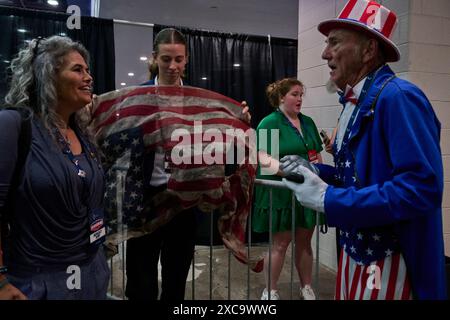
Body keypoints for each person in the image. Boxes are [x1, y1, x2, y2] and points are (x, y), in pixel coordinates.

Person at [281, 0, 447, 300]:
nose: (324, 53)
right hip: (355, 253)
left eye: (334, 42)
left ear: (368, 50)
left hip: (390, 261)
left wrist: (329, 198)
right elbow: (358, 177)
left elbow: (421, 188)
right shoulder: (353, 103)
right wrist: (315, 171)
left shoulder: (399, 98)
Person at [125, 28, 251, 300]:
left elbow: (217, 141)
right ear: (154, 58)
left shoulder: (200, 101)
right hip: (145, 199)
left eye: (179, 59)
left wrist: (237, 121)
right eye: (166, 59)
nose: (173, 66)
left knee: (176, 277)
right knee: (140, 279)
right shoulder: (137, 97)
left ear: (187, 60)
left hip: (184, 203)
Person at [0, 36, 109, 300]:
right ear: (47, 75)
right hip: (37, 282)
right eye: (77, 69)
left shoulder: (82, 133)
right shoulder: (12, 125)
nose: (89, 77)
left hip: (93, 274)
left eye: (88, 70)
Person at [253, 78, 325, 300]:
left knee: (304, 242)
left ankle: (306, 287)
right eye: (295, 94)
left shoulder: (309, 122)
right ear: (281, 97)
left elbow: (315, 153)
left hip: (307, 191)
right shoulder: (269, 122)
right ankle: (271, 290)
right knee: (280, 244)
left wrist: (318, 172)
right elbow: (264, 158)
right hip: (281, 191)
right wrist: (288, 174)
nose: (299, 99)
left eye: (301, 94)